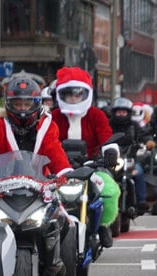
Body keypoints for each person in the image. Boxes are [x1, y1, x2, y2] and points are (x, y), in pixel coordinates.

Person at [0, 73, 72, 276]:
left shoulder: (47, 126)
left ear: (37, 104)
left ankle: (53, 259)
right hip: (1, 189)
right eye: (17, 104)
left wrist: (65, 173)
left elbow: (54, 151)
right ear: (9, 104)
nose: (23, 109)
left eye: (28, 103)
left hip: (38, 188)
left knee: (61, 219)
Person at [49, 66, 119, 247]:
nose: (73, 98)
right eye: (68, 94)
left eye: (78, 94)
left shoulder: (97, 115)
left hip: (91, 166)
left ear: (86, 94)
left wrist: (110, 151)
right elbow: (43, 139)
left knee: (110, 190)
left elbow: (106, 136)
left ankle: (103, 225)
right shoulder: (52, 117)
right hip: (57, 169)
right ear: (60, 95)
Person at [108, 97, 150, 213]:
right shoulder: (108, 124)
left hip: (129, 158)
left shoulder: (134, 125)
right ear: (114, 112)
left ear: (128, 113)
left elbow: (144, 135)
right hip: (111, 159)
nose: (121, 115)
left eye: (124, 112)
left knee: (138, 171)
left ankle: (141, 201)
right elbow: (101, 136)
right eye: (118, 112)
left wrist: (148, 141)